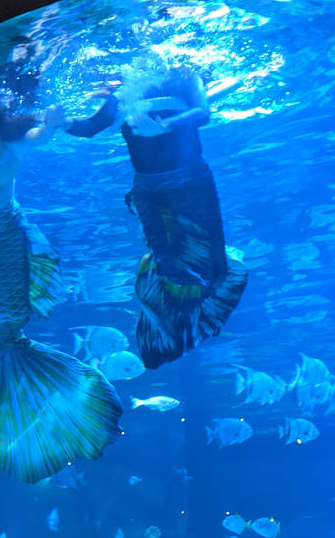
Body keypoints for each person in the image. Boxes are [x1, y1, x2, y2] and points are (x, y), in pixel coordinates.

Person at [0, 92, 123, 484]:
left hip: (8, 234)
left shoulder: (16, 136)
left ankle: (12, 393)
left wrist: (50, 122)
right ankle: (1, 386)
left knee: (8, 318)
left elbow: (42, 136)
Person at [65, 68, 247, 369]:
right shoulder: (123, 90)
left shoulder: (183, 76)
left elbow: (203, 113)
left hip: (190, 181)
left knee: (201, 263)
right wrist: (60, 123)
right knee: (166, 260)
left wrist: (164, 126)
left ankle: (178, 331)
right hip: (147, 187)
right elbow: (89, 128)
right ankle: (174, 331)